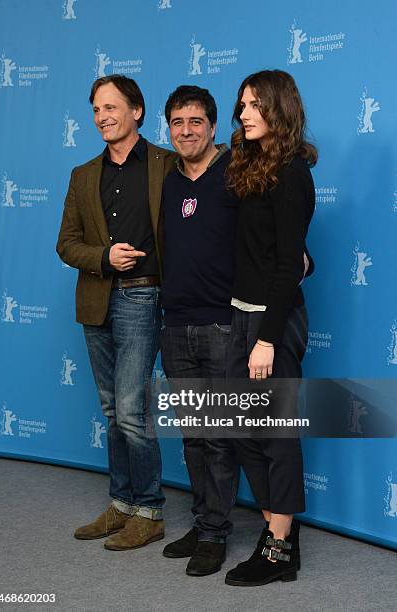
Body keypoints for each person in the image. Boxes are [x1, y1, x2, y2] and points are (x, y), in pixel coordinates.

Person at [56, 75, 176, 551]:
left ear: (137, 111)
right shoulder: (82, 174)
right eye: (96, 110)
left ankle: (149, 509)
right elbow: (66, 244)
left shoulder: (166, 165)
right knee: (112, 412)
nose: (102, 117)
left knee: (131, 410)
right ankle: (122, 503)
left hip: (143, 297)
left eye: (111, 107)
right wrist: (104, 258)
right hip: (95, 301)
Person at [224, 70, 317, 586]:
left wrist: (266, 338)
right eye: (241, 104)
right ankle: (277, 527)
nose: (243, 113)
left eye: (254, 104)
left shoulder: (293, 172)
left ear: (278, 108)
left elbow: (286, 265)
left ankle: (278, 547)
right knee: (240, 427)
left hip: (271, 321)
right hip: (242, 312)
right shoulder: (252, 166)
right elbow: (283, 250)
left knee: (276, 433)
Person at [159, 86, 240, 576]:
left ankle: (215, 533)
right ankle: (201, 520)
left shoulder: (235, 175)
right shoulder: (168, 181)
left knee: (219, 437)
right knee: (192, 435)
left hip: (223, 325)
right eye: (177, 122)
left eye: (195, 121)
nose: (186, 131)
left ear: (212, 126)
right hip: (176, 325)